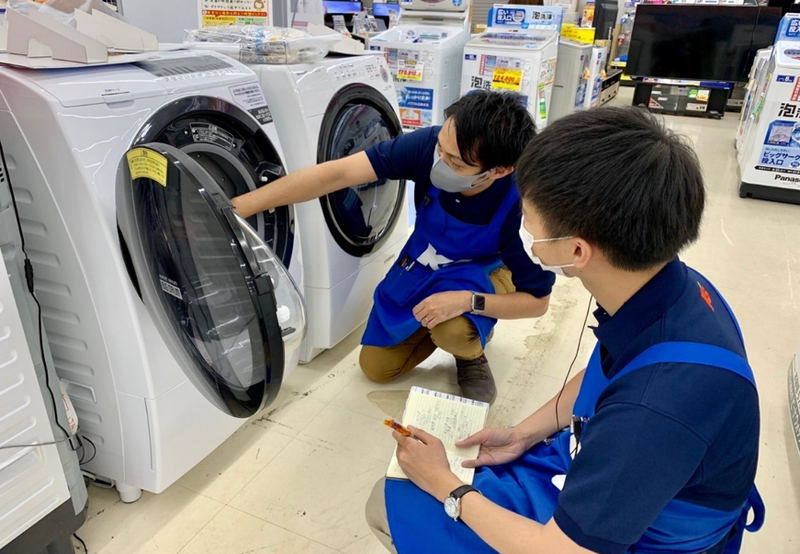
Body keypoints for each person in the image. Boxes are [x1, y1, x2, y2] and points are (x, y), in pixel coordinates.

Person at [366, 107, 764, 554]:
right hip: (623, 474)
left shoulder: (656, 405)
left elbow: (561, 550)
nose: (523, 228)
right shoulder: (675, 288)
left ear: (576, 251)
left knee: (390, 503)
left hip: (640, 537)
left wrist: (445, 485)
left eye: (528, 217)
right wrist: (524, 434)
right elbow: (608, 370)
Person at [233, 91, 555, 403]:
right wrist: (240, 208)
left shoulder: (524, 206)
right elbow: (338, 174)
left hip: (483, 271)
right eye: (440, 149)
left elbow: (537, 303)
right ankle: (446, 325)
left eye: (456, 163)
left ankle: (469, 350)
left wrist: (468, 302)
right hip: (426, 260)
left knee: (454, 330)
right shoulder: (430, 146)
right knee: (377, 367)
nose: (439, 162)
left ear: (500, 170)